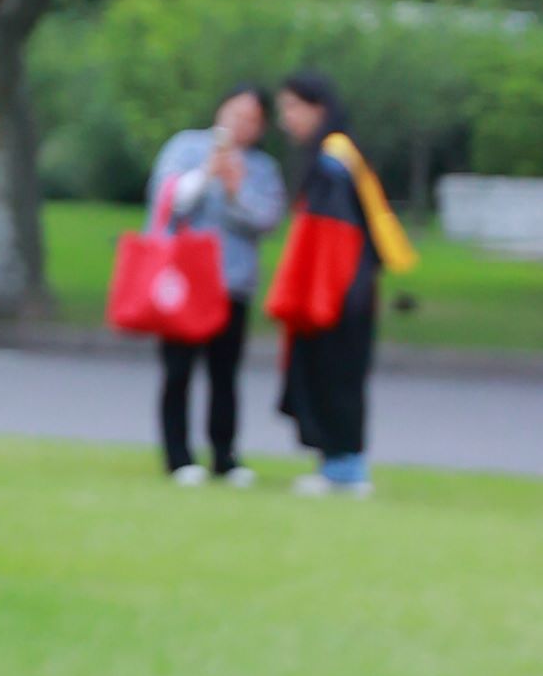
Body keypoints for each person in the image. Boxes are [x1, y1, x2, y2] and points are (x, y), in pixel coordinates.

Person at [268, 69, 419, 498]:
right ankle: (338, 464)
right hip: (348, 287)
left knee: (334, 375)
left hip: (336, 289)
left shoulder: (332, 161)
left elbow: (333, 237)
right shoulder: (341, 155)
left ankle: (344, 468)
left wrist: (315, 294)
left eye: (292, 108)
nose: (286, 119)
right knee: (336, 373)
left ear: (318, 108)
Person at [144, 85, 284, 484]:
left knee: (225, 373)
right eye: (236, 113)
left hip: (231, 282)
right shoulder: (186, 148)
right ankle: (178, 457)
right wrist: (208, 173)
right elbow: (168, 201)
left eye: (251, 119)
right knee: (178, 370)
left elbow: (267, 219)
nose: (241, 124)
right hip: (184, 280)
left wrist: (236, 188)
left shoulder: (262, 168)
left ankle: (225, 455)